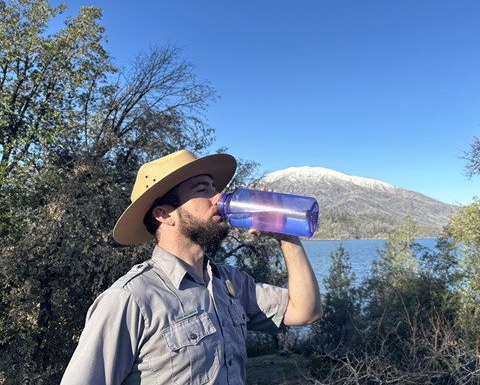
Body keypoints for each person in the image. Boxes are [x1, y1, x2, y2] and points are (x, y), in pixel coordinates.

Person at [61, 150, 322, 384]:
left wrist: (285, 234)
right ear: (164, 214)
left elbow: (305, 312)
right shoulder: (131, 299)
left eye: (214, 188)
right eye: (202, 190)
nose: (219, 197)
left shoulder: (229, 283)